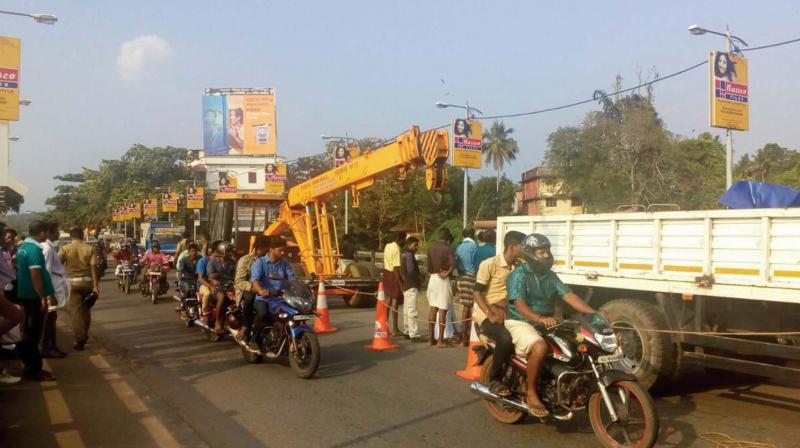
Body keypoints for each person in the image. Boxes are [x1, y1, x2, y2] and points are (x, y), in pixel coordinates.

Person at [505, 233, 598, 417]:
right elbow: (519, 305)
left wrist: (594, 313)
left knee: (577, 348)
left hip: (547, 321)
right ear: (531, 253)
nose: (547, 255)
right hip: (520, 321)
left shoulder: (550, 275)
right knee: (539, 347)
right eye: (542, 252)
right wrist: (539, 318)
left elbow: (569, 296)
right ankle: (531, 393)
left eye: (548, 251)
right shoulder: (519, 275)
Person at [473, 230, 525, 397]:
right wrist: (489, 313)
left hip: (511, 312)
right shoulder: (489, 264)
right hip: (489, 313)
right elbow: (477, 293)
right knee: (505, 338)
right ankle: (495, 379)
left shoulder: (519, 265)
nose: (524, 250)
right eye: (522, 247)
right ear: (512, 247)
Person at [15, 221, 56, 381]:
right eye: (47, 232)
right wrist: (42, 296)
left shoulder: (23, 248)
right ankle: (34, 369)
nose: (47, 236)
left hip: (26, 295)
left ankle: (30, 366)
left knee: (29, 332)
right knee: (33, 333)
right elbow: (35, 275)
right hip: (33, 297)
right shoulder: (34, 250)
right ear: (42, 233)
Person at [249, 236, 295, 352]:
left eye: (284, 250)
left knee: (294, 313)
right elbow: (254, 280)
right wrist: (260, 290)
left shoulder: (285, 263)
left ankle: (288, 338)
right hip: (263, 298)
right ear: (271, 249)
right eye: (280, 250)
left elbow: (292, 278)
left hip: (281, 298)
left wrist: (299, 286)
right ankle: (254, 339)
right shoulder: (260, 263)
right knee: (263, 313)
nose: (283, 253)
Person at [59, 225, 100, 351]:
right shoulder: (90, 248)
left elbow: (57, 265)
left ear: (71, 236)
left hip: (72, 283)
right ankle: (85, 333)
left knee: (75, 312)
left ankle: (80, 338)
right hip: (87, 282)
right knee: (86, 310)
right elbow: (94, 267)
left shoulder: (65, 249)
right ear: (82, 235)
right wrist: (95, 286)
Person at [234, 235, 269, 341]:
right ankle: (245, 325)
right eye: (265, 248)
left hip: (265, 290)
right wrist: (253, 288)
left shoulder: (271, 260)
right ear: (259, 248)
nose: (267, 250)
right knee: (249, 298)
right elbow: (239, 281)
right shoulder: (245, 260)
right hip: (248, 289)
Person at [41, 222, 68, 358]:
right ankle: (47, 348)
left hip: (55, 283)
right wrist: (49, 292)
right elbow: (46, 271)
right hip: (52, 285)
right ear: (50, 232)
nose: (58, 233)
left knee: (52, 317)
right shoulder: (47, 248)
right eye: (57, 231)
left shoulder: (51, 247)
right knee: (49, 318)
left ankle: (51, 346)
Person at [0, 223, 22, 384]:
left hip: (6, 290)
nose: (4, 238)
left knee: (16, 315)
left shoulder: (4, 252)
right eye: (3, 235)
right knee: (16, 315)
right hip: (4, 290)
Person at [426, 228, 456, 347]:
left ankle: (430, 339)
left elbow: (428, 267)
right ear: (448, 238)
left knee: (433, 309)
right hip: (443, 280)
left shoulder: (431, 248)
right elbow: (453, 264)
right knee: (442, 310)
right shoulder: (447, 249)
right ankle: (440, 341)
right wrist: (447, 273)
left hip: (433, 279)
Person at [206, 241, 236, 334]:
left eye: (231, 251)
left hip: (231, 286)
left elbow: (237, 275)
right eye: (228, 251)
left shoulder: (233, 263)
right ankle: (218, 322)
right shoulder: (212, 262)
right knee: (222, 296)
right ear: (222, 251)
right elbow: (211, 277)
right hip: (218, 288)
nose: (231, 253)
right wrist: (215, 281)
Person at [455, 227, 478, 346]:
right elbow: (477, 263)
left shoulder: (459, 247)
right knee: (472, 307)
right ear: (473, 235)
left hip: (462, 276)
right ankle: (468, 335)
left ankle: (464, 335)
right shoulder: (474, 247)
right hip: (472, 277)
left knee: (465, 306)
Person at [398, 236, 423, 342]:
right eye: (415, 245)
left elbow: (402, 272)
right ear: (409, 245)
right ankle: (414, 333)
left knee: (407, 309)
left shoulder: (404, 254)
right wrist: (418, 277)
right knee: (412, 309)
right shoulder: (409, 255)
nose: (416, 247)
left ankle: (407, 330)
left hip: (406, 284)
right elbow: (411, 270)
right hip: (412, 284)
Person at [382, 231, 406, 336]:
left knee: (387, 302)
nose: (404, 242)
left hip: (386, 273)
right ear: (400, 239)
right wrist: (401, 284)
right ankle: (395, 328)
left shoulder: (388, 246)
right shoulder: (397, 249)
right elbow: (396, 268)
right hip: (393, 275)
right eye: (404, 240)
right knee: (394, 303)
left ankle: (385, 326)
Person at [196, 240, 221, 324]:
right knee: (207, 293)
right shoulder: (203, 261)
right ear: (216, 250)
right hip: (203, 285)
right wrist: (210, 286)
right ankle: (205, 314)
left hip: (218, 284)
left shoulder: (221, 261)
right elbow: (200, 278)